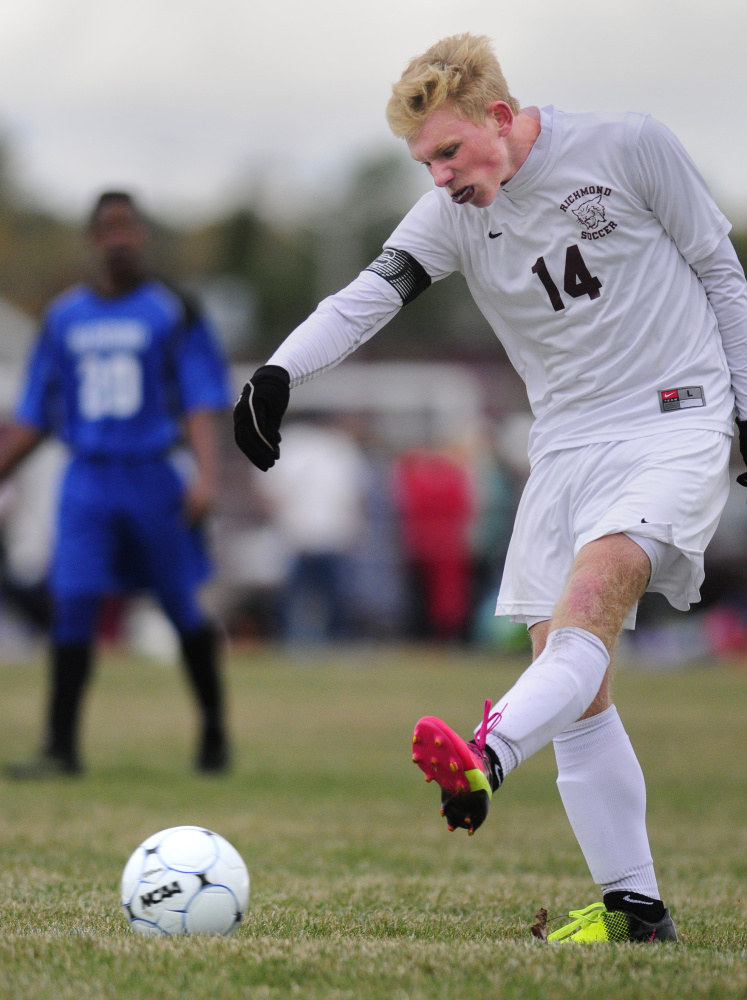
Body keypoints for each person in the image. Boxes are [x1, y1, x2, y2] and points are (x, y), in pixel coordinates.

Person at [233, 33, 747, 942]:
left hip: (674, 413)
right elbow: (366, 296)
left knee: (590, 604)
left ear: (501, 118)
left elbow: (719, 269)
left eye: (448, 152)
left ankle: (487, 751)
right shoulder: (450, 216)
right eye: (423, 161)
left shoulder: (627, 144)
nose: (438, 178)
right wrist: (278, 373)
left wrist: (745, 404)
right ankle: (636, 908)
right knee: (576, 683)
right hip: (563, 447)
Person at [1, 191, 233, 777]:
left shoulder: (170, 309)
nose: (120, 238)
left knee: (180, 602)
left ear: (144, 237)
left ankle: (213, 734)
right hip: (87, 477)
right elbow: (36, 413)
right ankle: (61, 747)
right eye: (109, 228)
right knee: (73, 600)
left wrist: (206, 475)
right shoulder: (64, 317)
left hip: (153, 472)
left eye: (129, 227)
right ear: (93, 238)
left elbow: (201, 401)